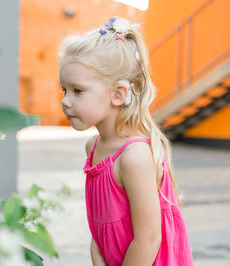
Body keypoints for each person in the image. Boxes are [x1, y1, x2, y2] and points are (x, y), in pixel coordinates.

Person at [58, 17, 194, 266]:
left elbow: (149, 239)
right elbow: (100, 223)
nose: (66, 101)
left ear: (118, 94)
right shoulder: (93, 147)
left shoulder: (134, 156)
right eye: (63, 90)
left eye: (77, 90)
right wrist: (98, 256)